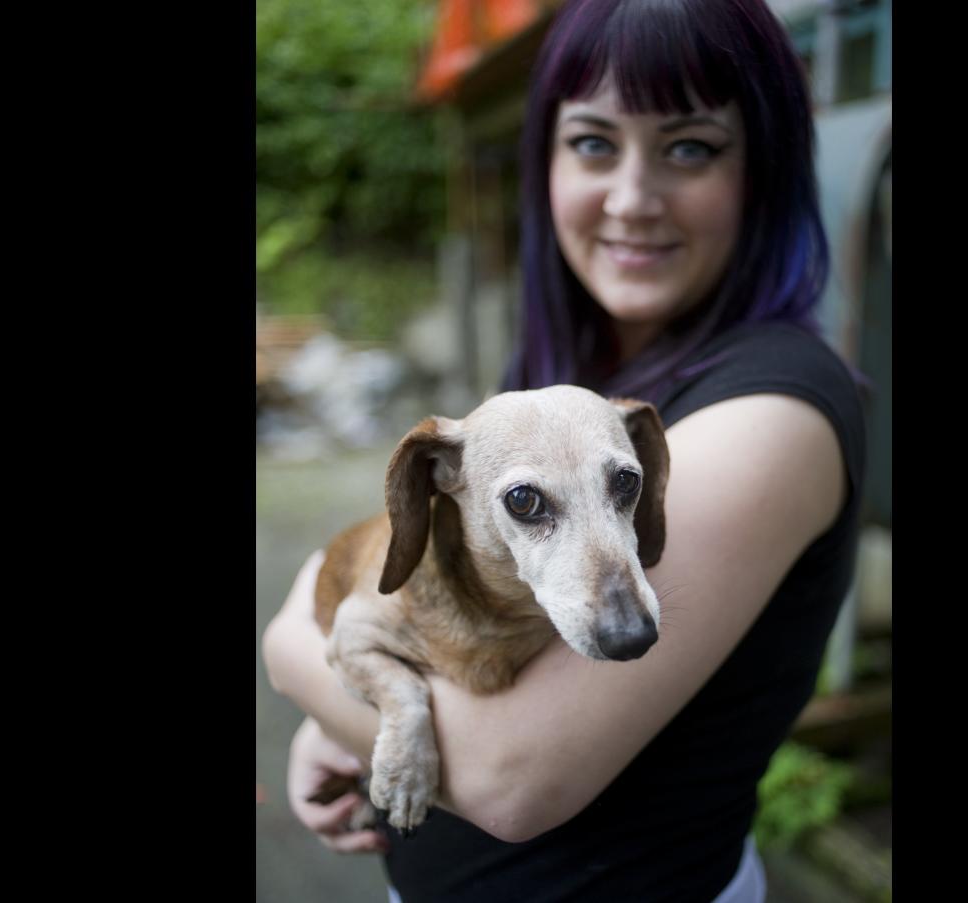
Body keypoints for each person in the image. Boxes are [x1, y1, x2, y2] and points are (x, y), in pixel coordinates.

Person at [262, 0, 867, 900]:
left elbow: (511, 782)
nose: (630, 198)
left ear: (767, 168)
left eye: (690, 146)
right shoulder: (569, 381)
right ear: (543, 161)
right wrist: (364, 704)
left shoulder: (775, 405)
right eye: (592, 143)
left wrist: (293, 658)